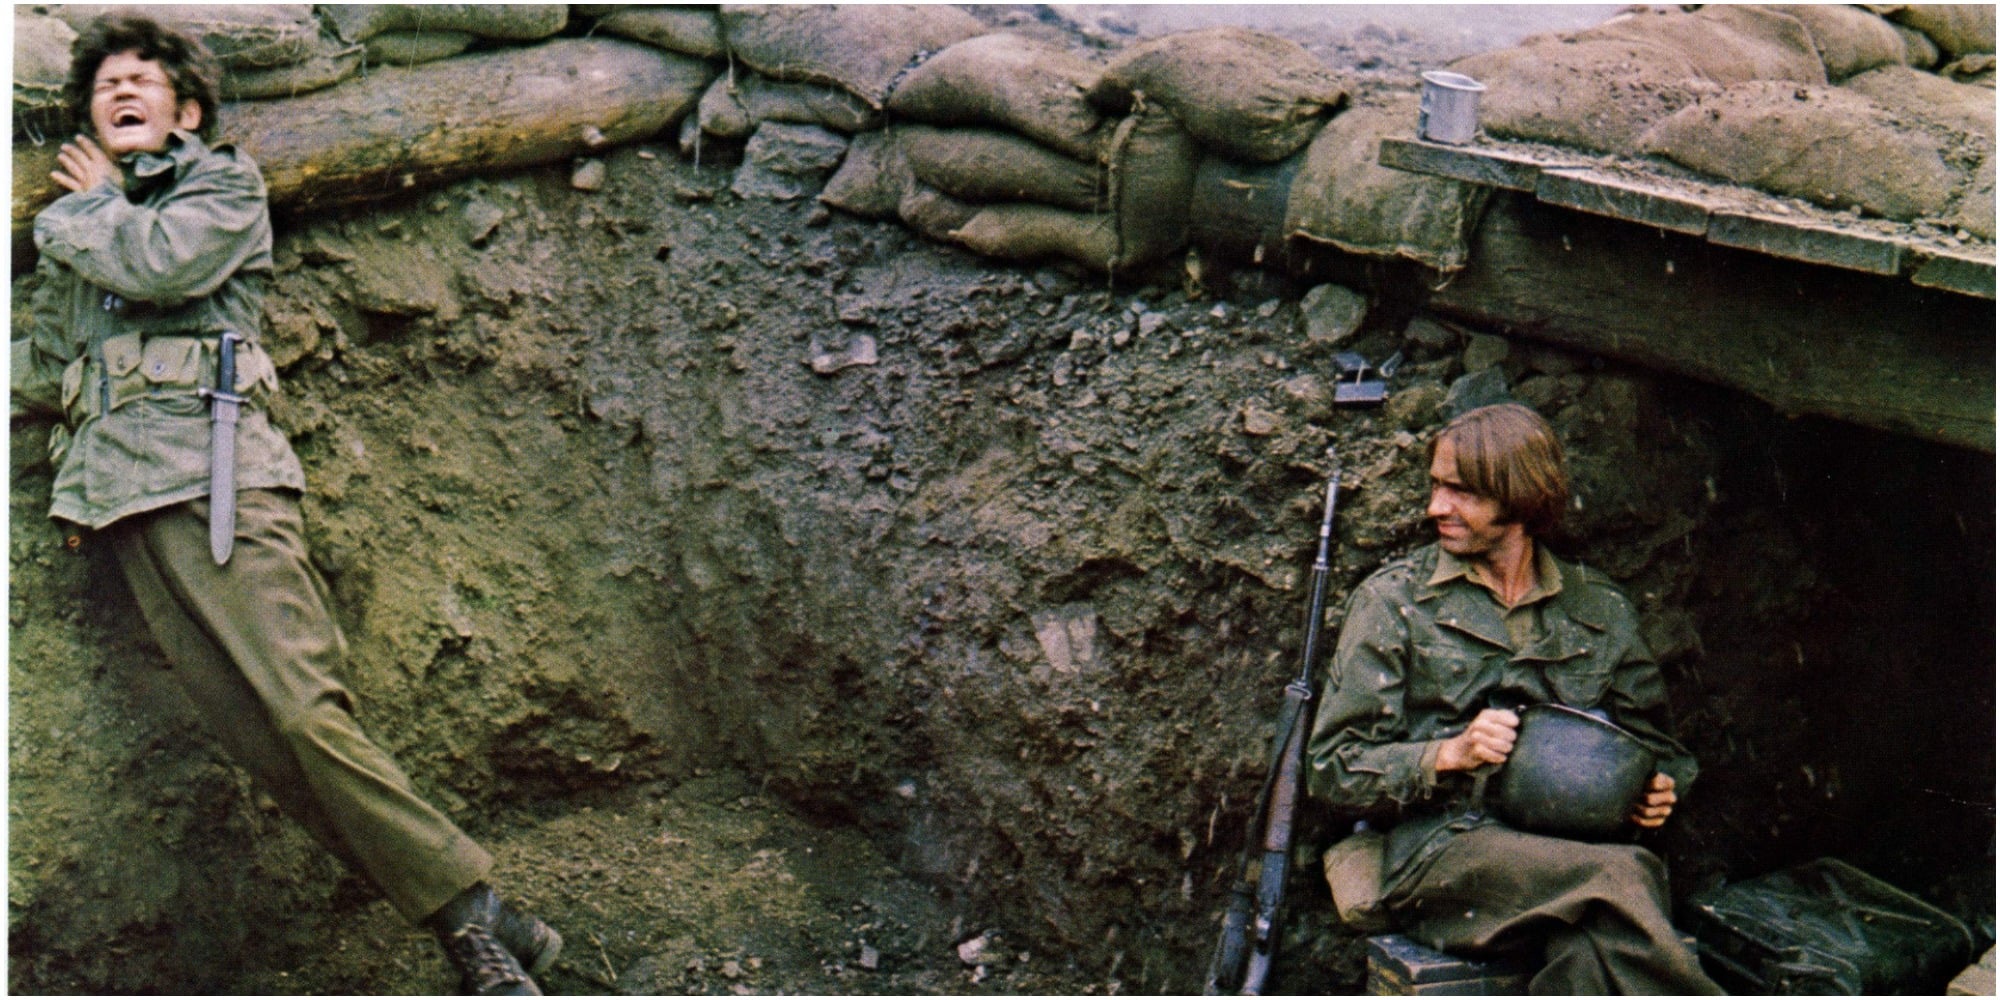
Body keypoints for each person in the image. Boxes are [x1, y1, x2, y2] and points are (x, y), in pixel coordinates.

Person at [11, 15, 560, 996]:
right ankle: (484, 923)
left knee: (306, 715)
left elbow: (161, 266)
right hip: (120, 499)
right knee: (264, 747)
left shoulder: (218, 188)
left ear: (187, 112)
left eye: (143, 80)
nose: (122, 91)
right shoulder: (86, 232)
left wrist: (85, 208)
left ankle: (471, 914)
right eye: (105, 85)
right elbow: (49, 365)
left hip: (217, 478)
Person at [1306, 402, 1722, 994]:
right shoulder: (1394, 603)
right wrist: (1448, 754)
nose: (1435, 507)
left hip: (1569, 855)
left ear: (1522, 497)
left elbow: (1657, 745)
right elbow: (1331, 768)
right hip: (1440, 851)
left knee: (1589, 954)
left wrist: (1655, 789)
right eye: (1435, 486)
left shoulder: (1598, 608)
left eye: (1461, 491)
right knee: (1623, 874)